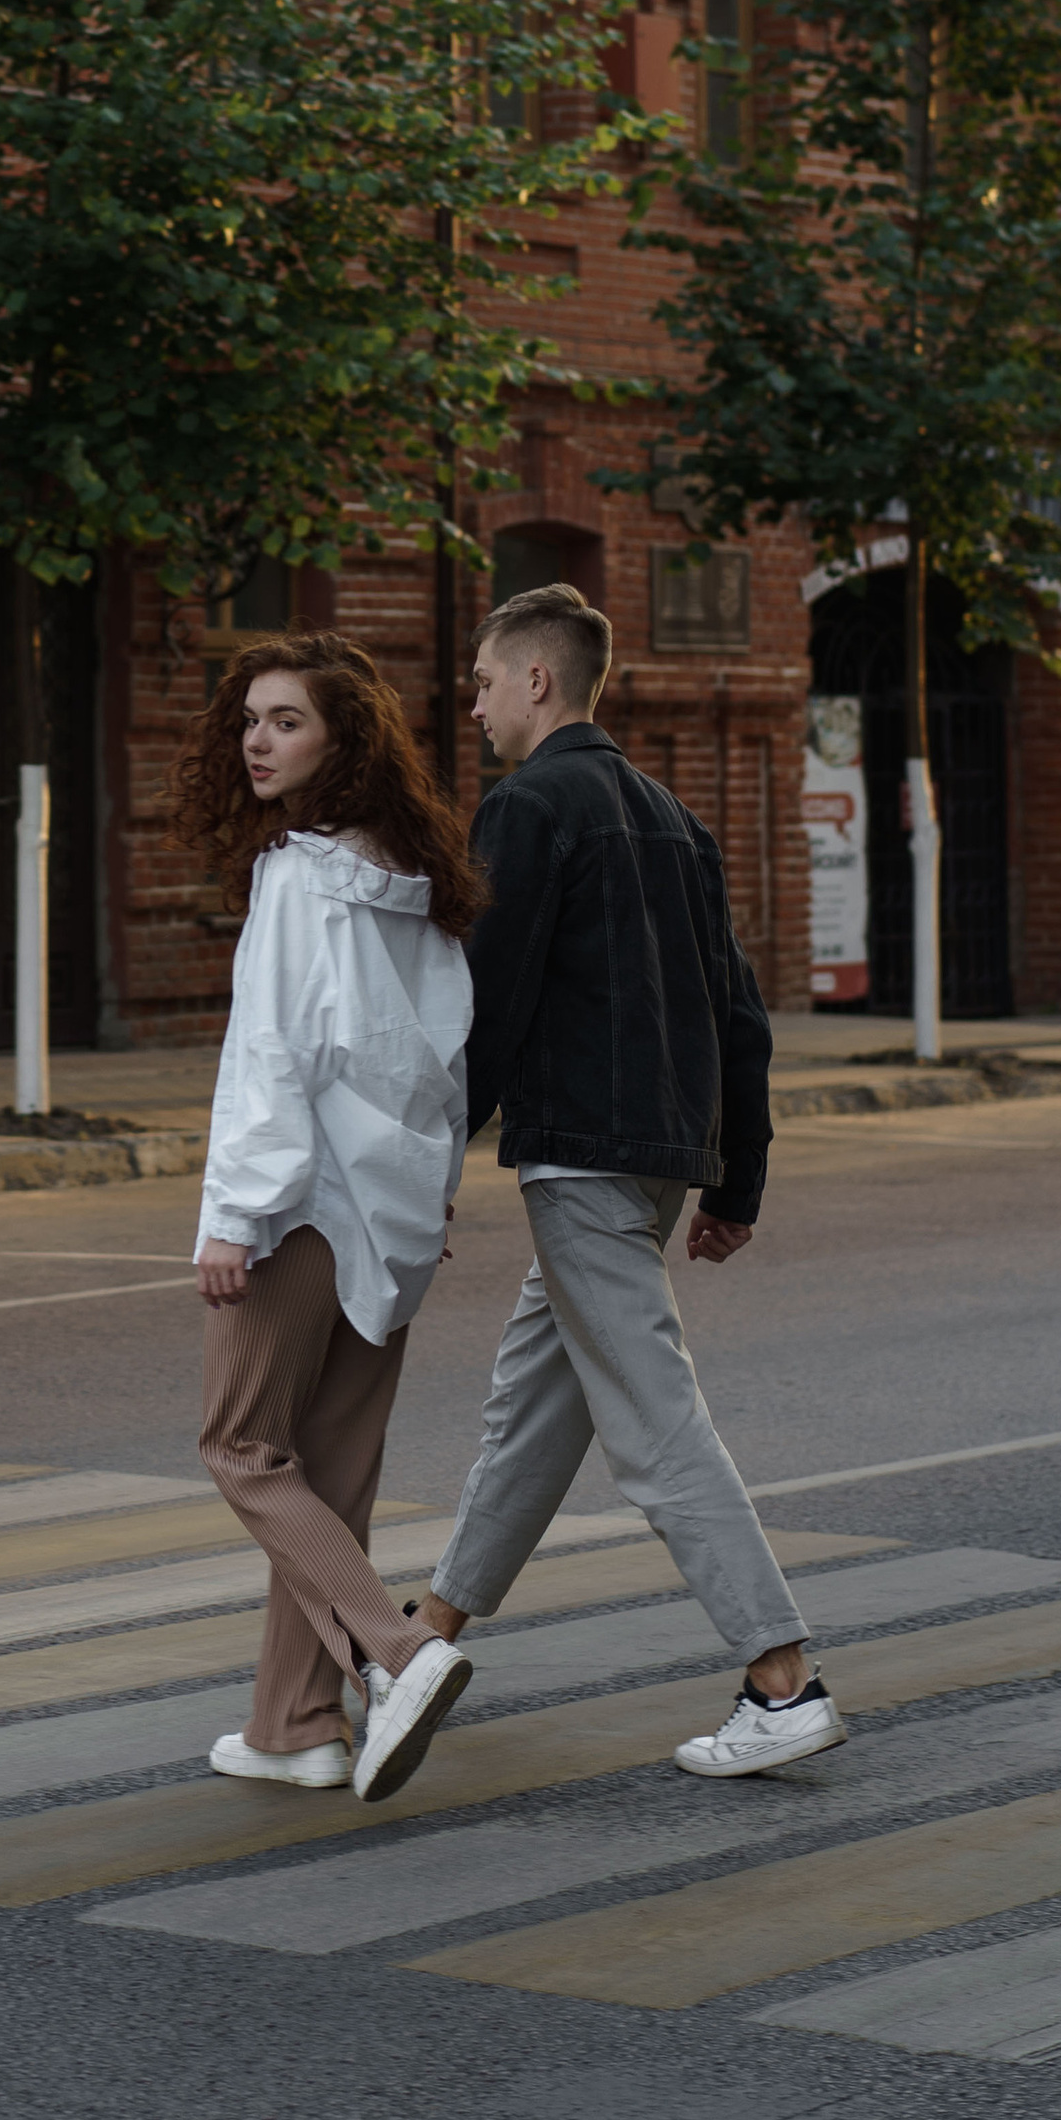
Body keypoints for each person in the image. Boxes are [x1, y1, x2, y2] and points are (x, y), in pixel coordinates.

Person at [409, 582, 846, 1777]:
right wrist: (735, 1180)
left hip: (582, 1156)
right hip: (655, 1159)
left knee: (653, 1423)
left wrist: (424, 1161)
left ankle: (780, 1680)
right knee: (534, 1408)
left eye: (488, 681)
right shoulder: (670, 817)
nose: (479, 703)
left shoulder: (527, 807)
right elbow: (737, 1013)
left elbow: (485, 1003)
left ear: (538, 680)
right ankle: (426, 1639)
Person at [179, 630, 480, 1809]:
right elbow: (445, 1056)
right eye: (250, 718)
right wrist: (430, 1190)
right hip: (393, 1208)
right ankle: (294, 1725)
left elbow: (272, 1056)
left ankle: (397, 1655)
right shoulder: (421, 880)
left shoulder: (301, 874)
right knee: (331, 1476)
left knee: (242, 1451)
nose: (257, 739)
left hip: (299, 1207)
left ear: (342, 739)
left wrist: (233, 1217)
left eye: (286, 720)